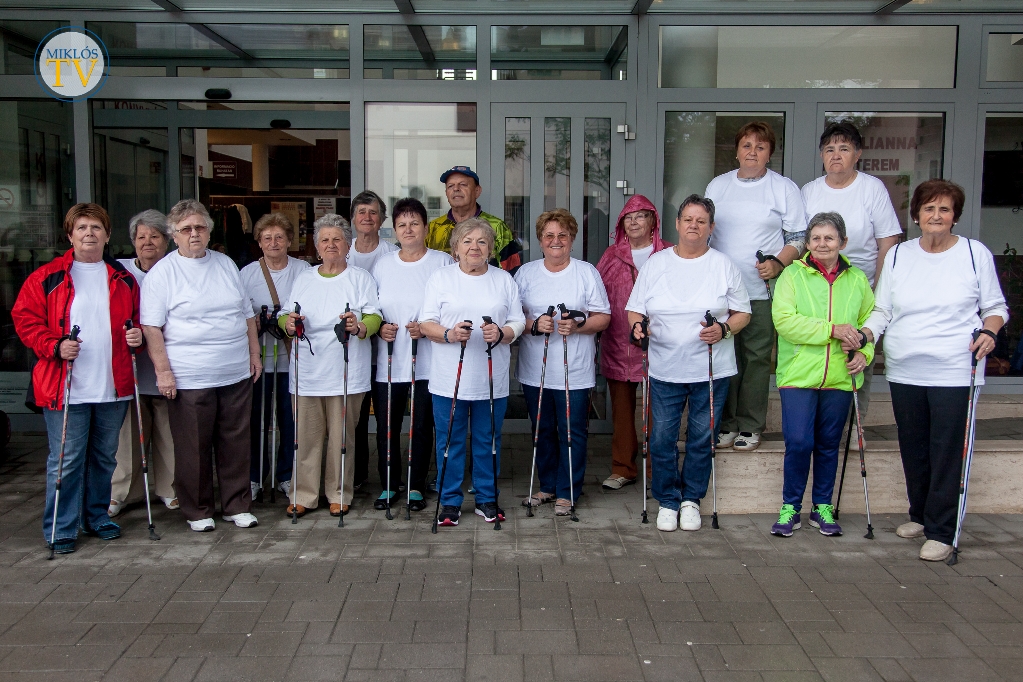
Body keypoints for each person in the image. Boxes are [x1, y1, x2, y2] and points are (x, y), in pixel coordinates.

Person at [863, 180, 1008, 562]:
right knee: (914, 446)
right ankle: (922, 516)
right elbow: (883, 309)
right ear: (916, 216)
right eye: (929, 209)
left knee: (946, 450)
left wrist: (990, 331)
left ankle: (943, 530)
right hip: (905, 367)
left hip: (955, 370)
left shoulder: (974, 254)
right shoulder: (898, 256)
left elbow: (996, 306)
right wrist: (866, 334)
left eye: (944, 209)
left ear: (955, 216)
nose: (936, 216)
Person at [13, 203, 142, 554]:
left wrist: (138, 336)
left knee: (104, 457)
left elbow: (137, 321)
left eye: (96, 227)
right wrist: (53, 346)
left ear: (107, 234)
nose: (89, 233)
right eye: (82, 227)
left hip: (112, 385)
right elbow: (25, 321)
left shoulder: (123, 278)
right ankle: (61, 527)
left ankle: (97, 516)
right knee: (67, 459)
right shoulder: (46, 277)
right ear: (70, 235)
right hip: (64, 385)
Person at [626, 195, 751, 532]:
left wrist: (724, 328)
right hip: (664, 368)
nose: (694, 225)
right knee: (662, 438)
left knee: (701, 438)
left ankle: (691, 499)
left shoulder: (723, 264)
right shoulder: (656, 263)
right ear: (677, 224)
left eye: (701, 221)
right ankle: (667, 499)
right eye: (688, 219)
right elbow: (635, 308)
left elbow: (743, 313)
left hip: (711, 370)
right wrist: (638, 327)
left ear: (710, 228)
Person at [141, 199, 261, 533]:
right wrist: (163, 372)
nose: (194, 234)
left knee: (236, 441)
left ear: (209, 231)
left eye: (200, 227)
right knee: (194, 445)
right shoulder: (163, 273)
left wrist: (254, 355)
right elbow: (152, 328)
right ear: (174, 235)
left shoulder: (224, 264)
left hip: (234, 370)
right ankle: (198, 510)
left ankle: (237, 505)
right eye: (186, 229)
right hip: (189, 375)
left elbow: (247, 314)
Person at [770, 212, 875, 538]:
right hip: (799, 375)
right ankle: (790, 507)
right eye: (815, 238)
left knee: (829, 443)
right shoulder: (792, 276)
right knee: (799, 442)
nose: (822, 244)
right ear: (808, 243)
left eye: (829, 238)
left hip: (840, 377)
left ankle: (822, 507)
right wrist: (833, 330)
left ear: (842, 242)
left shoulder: (857, 280)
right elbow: (784, 321)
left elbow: (871, 324)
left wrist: (864, 353)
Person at [706, 121, 807, 452]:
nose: (752, 152)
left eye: (760, 147)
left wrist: (778, 262)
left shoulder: (784, 188)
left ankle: (750, 425)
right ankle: (726, 423)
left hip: (762, 291)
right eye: (746, 145)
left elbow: (798, 238)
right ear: (736, 151)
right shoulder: (718, 187)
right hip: (723, 292)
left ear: (769, 153)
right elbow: (704, 232)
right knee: (724, 358)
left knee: (757, 358)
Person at [420, 217, 525, 526]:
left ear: (490, 248)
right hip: (447, 379)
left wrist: (503, 332)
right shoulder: (440, 278)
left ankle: (486, 498)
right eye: (467, 242)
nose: (474, 247)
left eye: (481, 242)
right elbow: (426, 323)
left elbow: (518, 321)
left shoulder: (504, 279)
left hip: (491, 379)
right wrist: (449, 334)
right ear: (456, 249)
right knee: (449, 441)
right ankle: (449, 500)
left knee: (488, 440)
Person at [281, 214, 381, 517]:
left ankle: (339, 492)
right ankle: (304, 494)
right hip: (307, 372)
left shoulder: (360, 279)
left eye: (337, 239)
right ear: (316, 246)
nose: (331, 244)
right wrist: (289, 323)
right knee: (307, 439)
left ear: (347, 244)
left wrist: (359, 325)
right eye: (324, 240)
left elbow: (374, 316)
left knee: (342, 439)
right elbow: (284, 314)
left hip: (346, 372)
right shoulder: (304, 278)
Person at [801, 121, 902, 415]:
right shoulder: (810, 191)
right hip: (816, 287)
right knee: (822, 348)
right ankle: (821, 421)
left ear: (857, 154)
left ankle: (854, 424)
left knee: (858, 351)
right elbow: (800, 239)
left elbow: (888, 241)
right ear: (822, 155)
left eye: (844, 148)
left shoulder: (872, 188)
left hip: (861, 287)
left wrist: (879, 289)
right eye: (829, 149)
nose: (836, 155)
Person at [516, 209, 610, 515]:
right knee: (542, 429)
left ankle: (569, 490)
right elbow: (513, 317)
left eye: (563, 236)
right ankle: (547, 486)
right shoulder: (527, 273)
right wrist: (534, 325)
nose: (556, 241)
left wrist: (579, 326)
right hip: (536, 370)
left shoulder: (586, 273)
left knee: (571, 431)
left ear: (572, 239)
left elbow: (604, 317)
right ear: (540, 241)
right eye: (549, 236)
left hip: (575, 370)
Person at [372, 198, 453, 512]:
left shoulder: (442, 262)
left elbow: (453, 305)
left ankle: (417, 485)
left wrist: (429, 327)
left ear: (425, 227)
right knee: (387, 425)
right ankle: (390, 485)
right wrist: (380, 328)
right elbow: (372, 307)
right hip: (390, 359)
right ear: (394, 229)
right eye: (402, 225)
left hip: (428, 359)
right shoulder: (383, 264)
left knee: (420, 426)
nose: (408, 230)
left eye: (414, 223)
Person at [595, 195, 671, 490]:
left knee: (660, 411)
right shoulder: (612, 255)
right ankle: (623, 468)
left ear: (654, 221)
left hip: (659, 342)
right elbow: (598, 296)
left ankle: (657, 468)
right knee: (623, 411)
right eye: (629, 217)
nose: (635, 222)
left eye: (641, 216)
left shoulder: (668, 253)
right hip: (617, 341)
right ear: (621, 224)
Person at [109, 209, 177, 518]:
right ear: (133, 242)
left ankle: (169, 490)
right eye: (141, 237)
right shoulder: (120, 272)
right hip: (132, 371)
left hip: (169, 369)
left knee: (168, 436)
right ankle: (125, 492)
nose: (147, 242)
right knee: (129, 440)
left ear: (166, 241)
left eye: (155, 236)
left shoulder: (176, 270)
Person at [239, 212, 310, 501]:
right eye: (267, 238)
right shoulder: (246, 274)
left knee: (290, 418)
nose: (274, 242)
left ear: (290, 240)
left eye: (279, 236)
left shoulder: (303, 269)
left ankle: (286, 474)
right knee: (256, 420)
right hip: (260, 359)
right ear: (259, 242)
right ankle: (255, 476)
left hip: (291, 357)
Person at [348, 190, 397, 493]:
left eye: (374, 212)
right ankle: (355, 475)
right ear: (353, 218)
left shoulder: (391, 253)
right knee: (354, 418)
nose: (367, 217)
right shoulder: (342, 250)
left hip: (384, 351)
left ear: (382, 219)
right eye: (361, 212)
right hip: (351, 352)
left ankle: (387, 478)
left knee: (385, 418)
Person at [425, 166, 523, 273]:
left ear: (477, 191)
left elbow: (511, 271)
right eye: (450, 186)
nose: (456, 189)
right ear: (446, 193)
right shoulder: (433, 227)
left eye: (463, 185)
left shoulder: (497, 227)